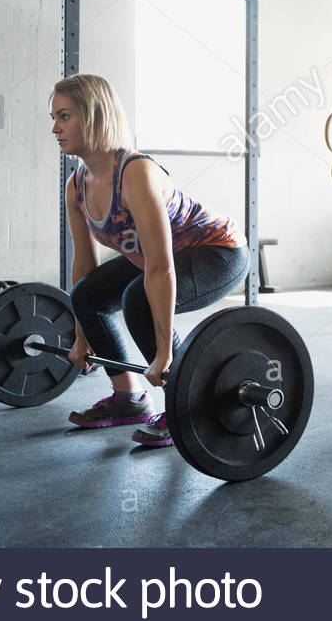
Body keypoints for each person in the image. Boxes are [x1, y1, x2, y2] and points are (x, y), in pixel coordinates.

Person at [50, 74, 247, 448]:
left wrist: (164, 354)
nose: (54, 128)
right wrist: (82, 336)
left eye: (64, 117)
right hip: (162, 256)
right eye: (53, 118)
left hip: (217, 250)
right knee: (88, 294)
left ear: (93, 116)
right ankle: (130, 399)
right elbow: (84, 267)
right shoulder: (77, 185)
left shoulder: (135, 173)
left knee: (138, 300)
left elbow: (159, 268)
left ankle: (183, 405)